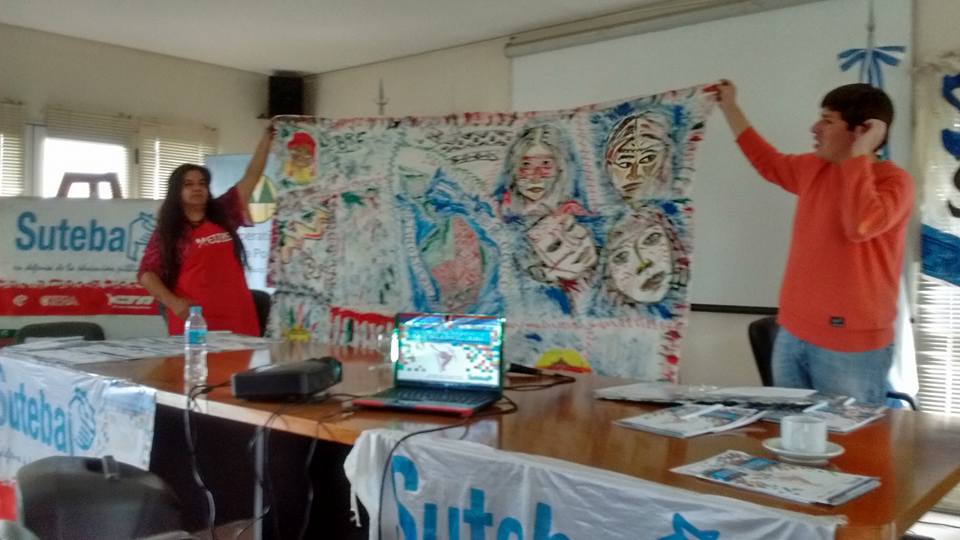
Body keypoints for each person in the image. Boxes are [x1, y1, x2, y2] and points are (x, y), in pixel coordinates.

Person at [715, 80, 913, 404]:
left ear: (862, 131)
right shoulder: (814, 168)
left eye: (827, 120)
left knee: (849, 434)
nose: (815, 128)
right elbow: (768, 161)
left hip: (851, 347)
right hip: (792, 332)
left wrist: (859, 156)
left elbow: (860, 225)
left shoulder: (895, 183)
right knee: (789, 428)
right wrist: (730, 107)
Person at [137, 127, 273, 336]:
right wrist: (173, 303)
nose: (197, 188)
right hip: (194, 318)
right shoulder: (169, 231)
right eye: (188, 184)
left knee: (240, 358)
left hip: (236, 313)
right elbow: (146, 275)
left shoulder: (224, 213)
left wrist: (266, 139)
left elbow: (252, 176)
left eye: (202, 184)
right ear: (176, 191)